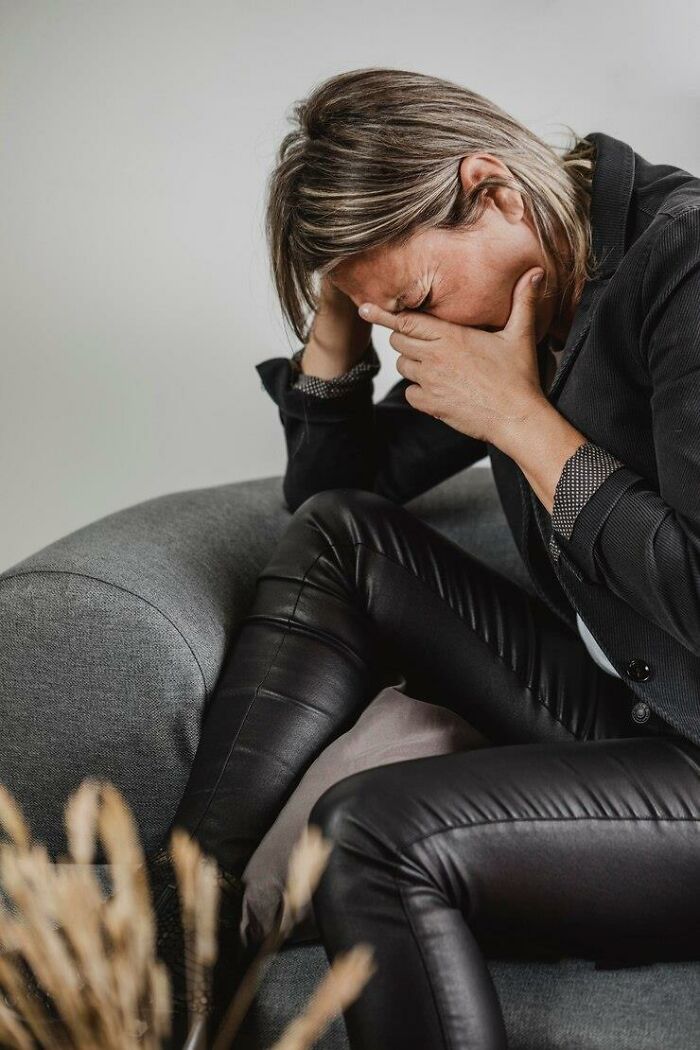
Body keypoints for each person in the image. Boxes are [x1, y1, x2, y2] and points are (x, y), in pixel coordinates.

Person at [146, 68, 700, 1049]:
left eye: (416, 300)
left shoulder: (680, 263)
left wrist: (518, 417)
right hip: (645, 707)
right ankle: (176, 931)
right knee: (341, 538)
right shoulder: (519, 282)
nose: (418, 337)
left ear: (490, 188)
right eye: (388, 318)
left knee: (372, 830)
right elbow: (328, 493)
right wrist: (339, 320)